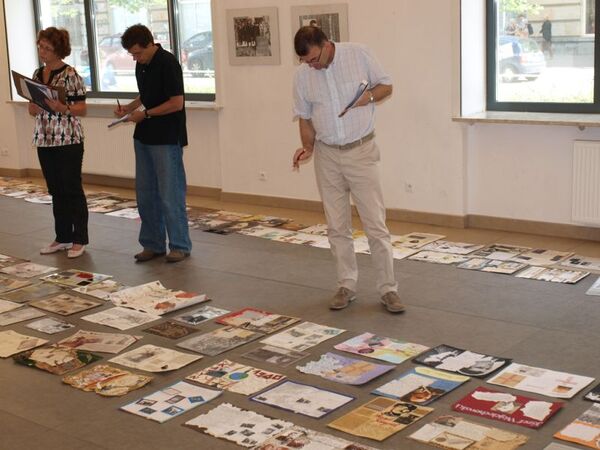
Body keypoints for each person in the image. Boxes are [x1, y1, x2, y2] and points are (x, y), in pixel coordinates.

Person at [291, 26, 404, 313]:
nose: (311, 65)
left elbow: (387, 86)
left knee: (375, 224)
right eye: (305, 61)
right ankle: (346, 285)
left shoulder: (359, 54)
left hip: (361, 151)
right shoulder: (303, 75)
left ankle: (388, 289)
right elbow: (304, 117)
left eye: (314, 59)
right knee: (337, 226)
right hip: (327, 155)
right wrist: (307, 147)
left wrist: (368, 97)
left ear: (327, 45)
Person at [114, 24, 191, 263]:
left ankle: (179, 245)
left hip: (166, 137)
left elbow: (176, 103)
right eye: (132, 54)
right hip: (144, 136)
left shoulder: (168, 63)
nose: (135, 58)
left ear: (150, 44)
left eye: (138, 53)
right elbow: (146, 95)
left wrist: (145, 114)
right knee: (146, 194)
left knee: (170, 194)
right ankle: (153, 244)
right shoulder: (142, 64)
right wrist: (130, 108)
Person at [28, 27, 88, 259]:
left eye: (47, 48)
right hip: (44, 139)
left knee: (71, 189)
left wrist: (64, 108)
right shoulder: (37, 73)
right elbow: (32, 108)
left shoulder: (70, 74)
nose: (42, 52)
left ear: (58, 50)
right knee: (56, 190)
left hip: (68, 139)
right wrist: (33, 107)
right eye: (40, 47)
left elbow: (81, 108)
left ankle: (79, 239)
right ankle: (62, 236)